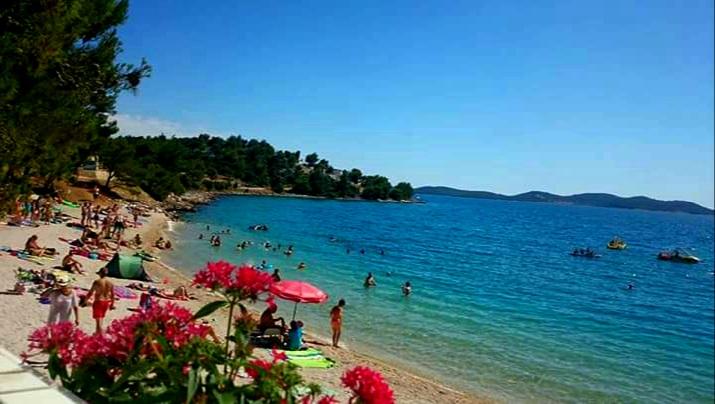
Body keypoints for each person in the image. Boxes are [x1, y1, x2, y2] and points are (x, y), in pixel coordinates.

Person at [85, 267, 115, 335]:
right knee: (100, 319)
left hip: (98, 301)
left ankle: (101, 335)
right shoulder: (110, 283)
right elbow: (113, 295)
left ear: (100, 273)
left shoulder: (97, 282)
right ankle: (97, 333)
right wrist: (112, 304)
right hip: (106, 302)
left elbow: (90, 292)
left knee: (98, 321)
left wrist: (85, 300)